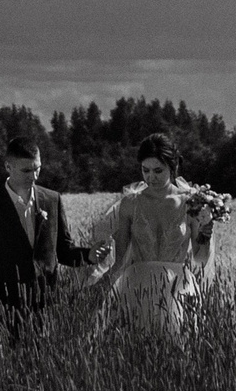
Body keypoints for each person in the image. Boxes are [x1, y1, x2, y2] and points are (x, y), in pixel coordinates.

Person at [84, 132, 223, 328]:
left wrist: (206, 235)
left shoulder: (190, 203)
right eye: (145, 170)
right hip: (136, 287)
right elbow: (120, 258)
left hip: (177, 289)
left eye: (158, 170)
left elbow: (199, 259)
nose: (151, 177)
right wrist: (102, 284)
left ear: (172, 167)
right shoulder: (130, 203)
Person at [0, 136, 91, 320]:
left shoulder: (52, 200)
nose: (33, 176)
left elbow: (64, 251)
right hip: (7, 312)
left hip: (49, 310)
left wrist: (90, 255)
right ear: (8, 167)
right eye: (26, 170)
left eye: (37, 169)